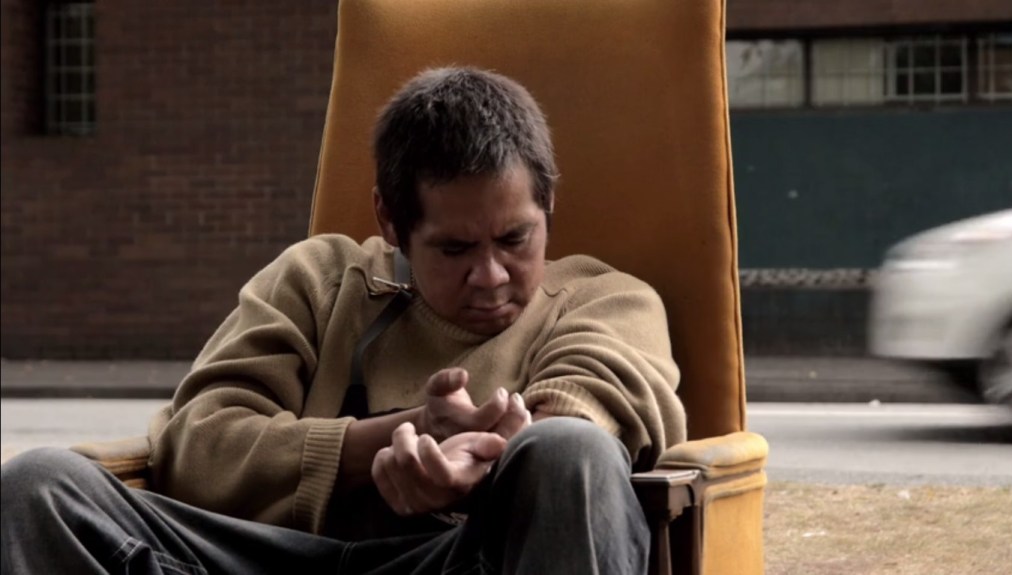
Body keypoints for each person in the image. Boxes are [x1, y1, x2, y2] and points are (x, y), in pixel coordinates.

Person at [1, 66, 687, 574]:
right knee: (39, 487)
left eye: (514, 239)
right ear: (390, 219)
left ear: (549, 205)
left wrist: (487, 457)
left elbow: (583, 414)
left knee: (569, 451)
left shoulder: (603, 298)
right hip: (265, 556)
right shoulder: (321, 278)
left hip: (460, 560)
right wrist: (390, 439)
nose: (491, 274)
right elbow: (198, 445)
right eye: (453, 249)